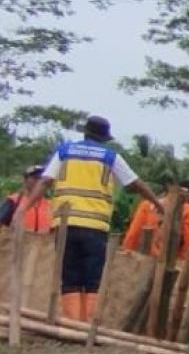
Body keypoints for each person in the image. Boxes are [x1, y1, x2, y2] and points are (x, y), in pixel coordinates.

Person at [17, 116, 162, 322]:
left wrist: (24, 207)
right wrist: (157, 203)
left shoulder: (64, 152)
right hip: (95, 227)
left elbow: (44, 182)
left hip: (66, 225)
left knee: (70, 276)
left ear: (85, 133)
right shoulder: (110, 156)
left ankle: (72, 323)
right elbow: (136, 183)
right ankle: (86, 326)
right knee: (92, 278)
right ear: (104, 138)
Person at [122, 180, 189, 264]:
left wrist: (127, 250)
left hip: (145, 259)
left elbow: (133, 234)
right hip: (167, 263)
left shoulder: (147, 204)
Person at [0, 165, 52, 233]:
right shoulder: (13, 201)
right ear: (25, 180)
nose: (38, 182)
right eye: (35, 178)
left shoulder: (50, 205)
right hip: (18, 241)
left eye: (41, 179)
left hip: (44, 242)